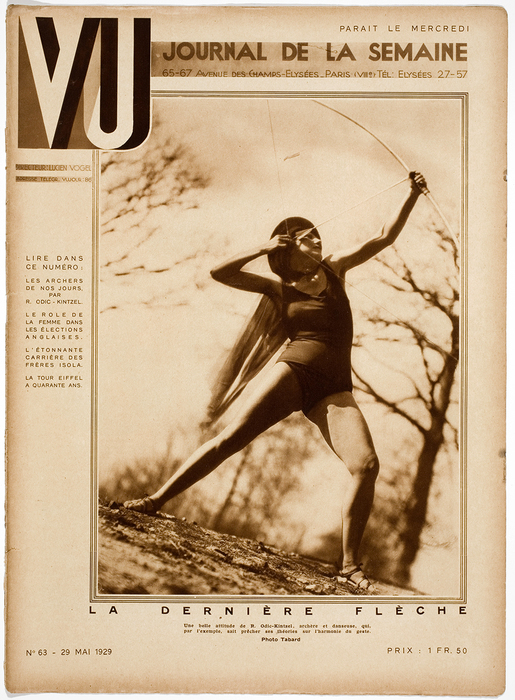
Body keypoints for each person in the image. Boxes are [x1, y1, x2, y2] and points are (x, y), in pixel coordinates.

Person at [123, 171, 428, 591]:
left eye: (317, 234)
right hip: (294, 371)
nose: (317, 238)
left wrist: (412, 193)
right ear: (288, 247)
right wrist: (262, 248)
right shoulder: (279, 288)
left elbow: (383, 237)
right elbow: (219, 271)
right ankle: (154, 500)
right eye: (307, 236)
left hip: (335, 388)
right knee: (232, 440)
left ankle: (349, 566)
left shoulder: (336, 268)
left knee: (366, 465)